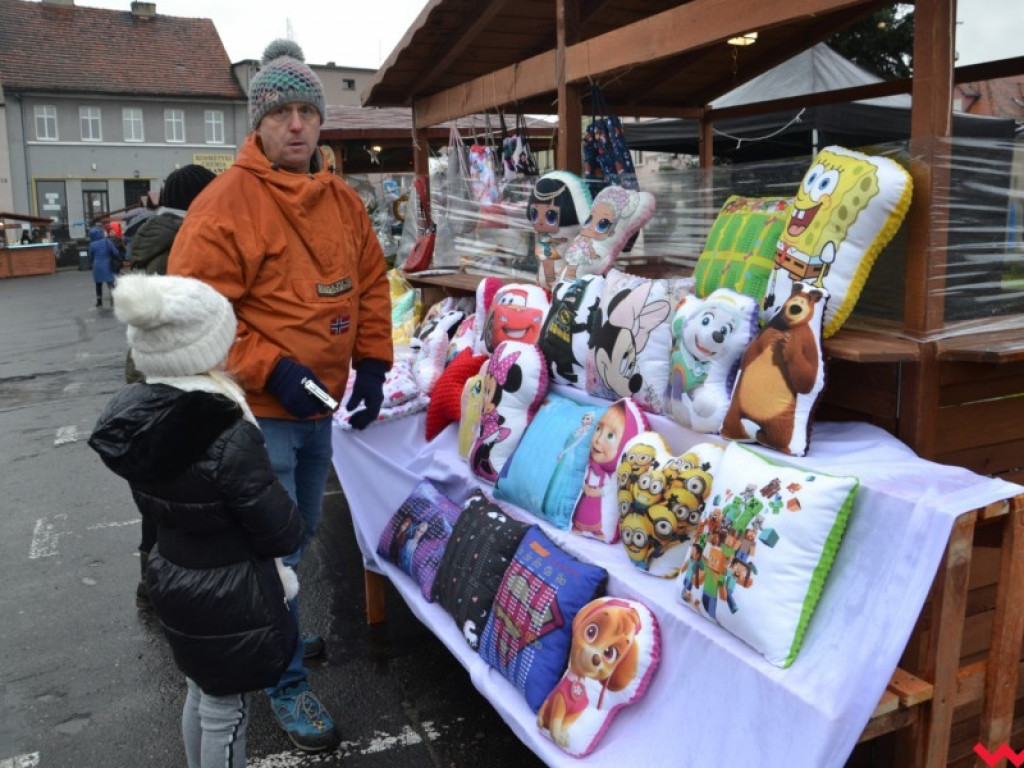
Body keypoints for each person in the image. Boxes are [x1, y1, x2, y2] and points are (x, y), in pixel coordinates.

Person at [168, 38, 393, 753]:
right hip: (258, 418)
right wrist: (269, 369)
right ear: (257, 124)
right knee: (268, 557)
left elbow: (370, 284)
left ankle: (279, 635)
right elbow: (191, 318)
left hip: (316, 412)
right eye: (281, 113)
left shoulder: (342, 200)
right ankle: (285, 681)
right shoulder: (223, 205)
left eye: (307, 111)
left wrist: (374, 363)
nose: (297, 125)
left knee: (291, 545)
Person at [88, 273, 304, 768]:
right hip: (230, 589)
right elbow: (278, 528)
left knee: (202, 693)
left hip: (174, 572)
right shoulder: (227, 427)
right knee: (228, 712)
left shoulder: (136, 415)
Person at [124, 162, 217, 612]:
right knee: (179, 491)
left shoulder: (149, 240)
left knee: (157, 487)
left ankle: (152, 582)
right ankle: (170, 589)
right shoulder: (183, 245)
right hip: (174, 380)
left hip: (144, 378)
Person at [88, 225, 119, 307]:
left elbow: (91, 256)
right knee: (110, 283)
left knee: (98, 284)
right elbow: (115, 253)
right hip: (107, 265)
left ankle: (99, 301)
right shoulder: (107, 242)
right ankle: (113, 300)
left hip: (97, 266)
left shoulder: (92, 244)